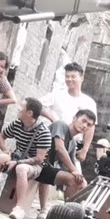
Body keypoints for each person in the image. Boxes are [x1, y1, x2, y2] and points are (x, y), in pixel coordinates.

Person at [16, 108, 94, 218]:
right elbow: (59, 148)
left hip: (44, 169)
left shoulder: (72, 144)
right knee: (74, 179)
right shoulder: (60, 125)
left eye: (89, 125)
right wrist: (74, 171)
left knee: (78, 181)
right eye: (83, 121)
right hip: (33, 161)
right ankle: (66, 214)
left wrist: (81, 180)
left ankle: (69, 214)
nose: (85, 126)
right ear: (74, 118)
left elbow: (72, 168)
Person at [40, 63, 97, 209]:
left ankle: (68, 212)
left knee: (80, 181)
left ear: (81, 78)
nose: (69, 80)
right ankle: (45, 208)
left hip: (73, 143)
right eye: (67, 77)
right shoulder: (58, 95)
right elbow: (39, 106)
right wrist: (53, 119)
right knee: (53, 167)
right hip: (56, 138)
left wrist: (85, 149)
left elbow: (91, 127)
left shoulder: (88, 102)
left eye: (73, 76)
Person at [0, 97, 50, 208]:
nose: (18, 108)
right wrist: (6, 150)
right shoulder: (17, 123)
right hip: (18, 156)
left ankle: (19, 207)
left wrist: (17, 163)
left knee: (21, 168)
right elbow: (0, 137)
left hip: (34, 165)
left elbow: (39, 159)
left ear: (30, 113)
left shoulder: (43, 132)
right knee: (2, 157)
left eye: (22, 106)